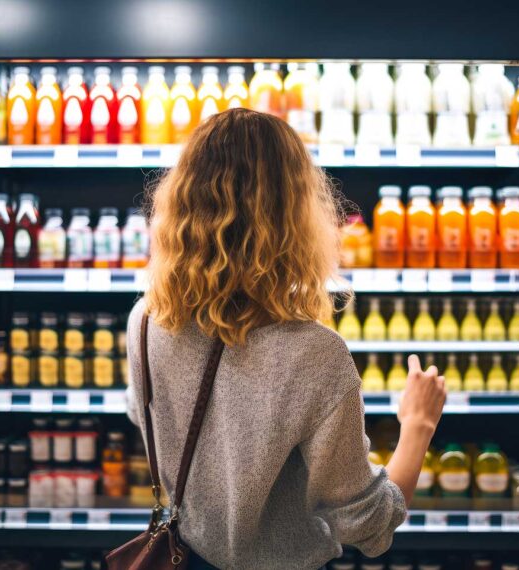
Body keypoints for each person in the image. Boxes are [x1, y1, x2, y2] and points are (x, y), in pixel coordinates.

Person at [126, 107, 446, 569]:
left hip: (182, 557)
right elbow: (368, 524)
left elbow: (146, 415)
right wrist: (418, 425)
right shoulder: (313, 353)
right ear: (294, 215)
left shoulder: (144, 320)